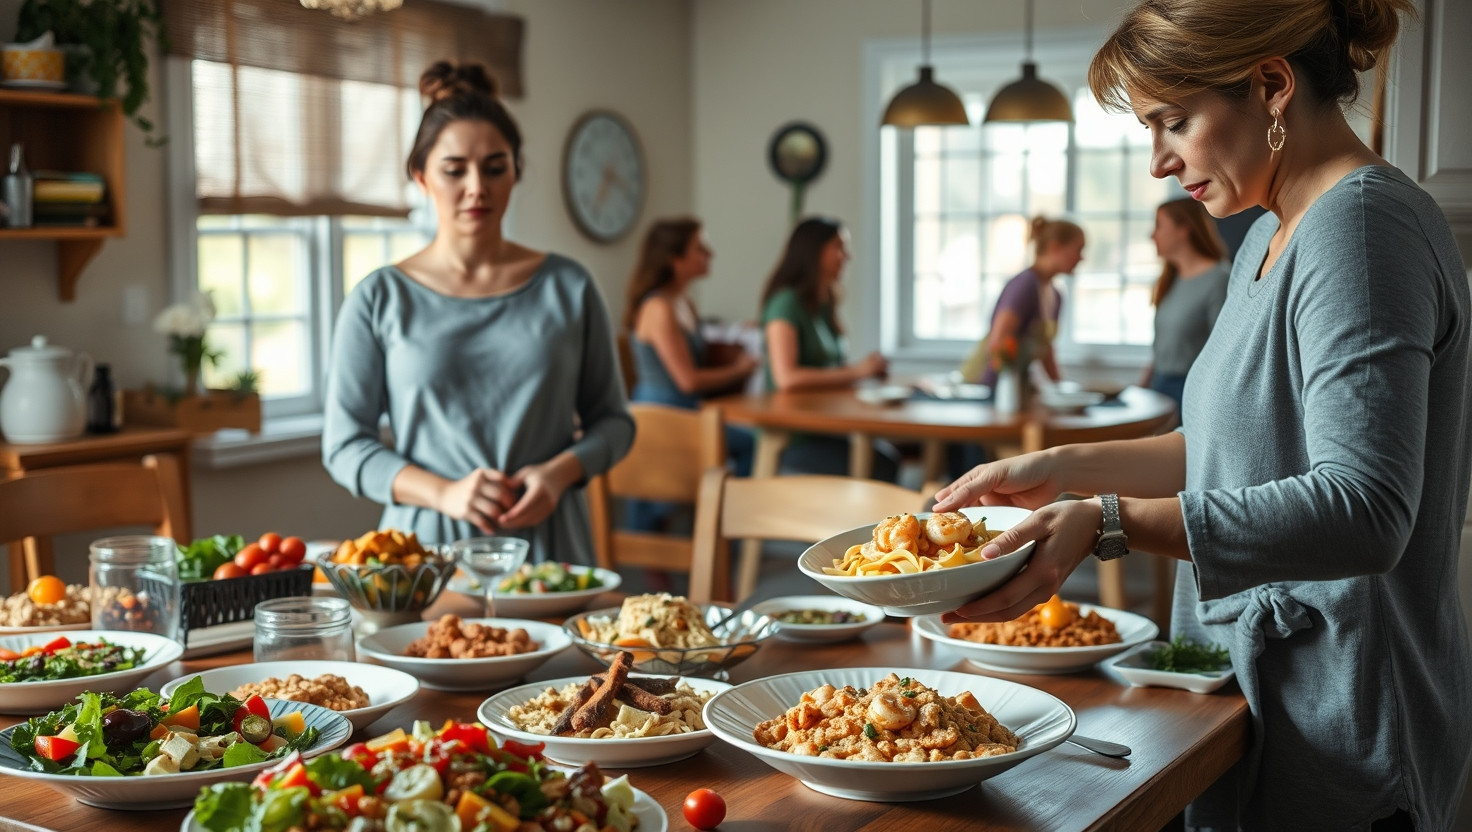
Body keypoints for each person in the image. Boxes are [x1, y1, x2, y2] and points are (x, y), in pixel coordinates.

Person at [933, 0, 1470, 829]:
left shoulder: (1362, 231)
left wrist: (1110, 522)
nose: (1157, 162)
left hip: (1343, 711)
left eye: (1173, 122)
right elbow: (1222, 447)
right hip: (1252, 694)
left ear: (1271, 85)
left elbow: (1367, 510)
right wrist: (1059, 470)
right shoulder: (1264, 234)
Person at [322, 61, 635, 564]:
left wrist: (559, 474)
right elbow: (345, 446)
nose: (477, 188)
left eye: (495, 167)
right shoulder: (377, 298)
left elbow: (615, 424)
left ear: (516, 172)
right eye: (454, 170)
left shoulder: (569, 287)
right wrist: (444, 492)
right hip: (422, 559)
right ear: (421, 177)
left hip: (551, 553)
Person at [622, 218, 758, 531]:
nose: (709, 254)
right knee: (749, 444)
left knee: (745, 439)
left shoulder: (684, 303)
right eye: (700, 248)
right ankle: (729, 532)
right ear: (674, 258)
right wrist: (738, 369)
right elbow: (688, 380)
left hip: (688, 409)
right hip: (662, 413)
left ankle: (720, 531)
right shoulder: (659, 307)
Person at [761, 217, 898, 480]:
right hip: (794, 438)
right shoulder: (785, 304)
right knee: (882, 464)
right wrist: (857, 372)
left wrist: (864, 371)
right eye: (839, 247)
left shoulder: (823, 302)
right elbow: (786, 378)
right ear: (814, 251)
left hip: (826, 427)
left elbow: (830, 368)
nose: (847, 256)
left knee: (886, 456)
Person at [959, 216, 1084, 387]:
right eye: (1078, 250)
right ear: (1055, 247)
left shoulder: (1055, 295)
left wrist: (1060, 389)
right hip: (987, 386)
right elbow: (998, 342)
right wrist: (1011, 388)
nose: (1081, 258)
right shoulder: (1024, 286)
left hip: (1016, 387)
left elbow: (1045, 351)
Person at [1139, 198, 1230, 415]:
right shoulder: (1169, 280)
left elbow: (1224, 351)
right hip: (1159, 387)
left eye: (1159, 225)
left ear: (1183, 229)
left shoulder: (1219, 279)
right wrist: (1142, 386)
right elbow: (1163, 347)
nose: (1152, 235)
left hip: (1192, 391)